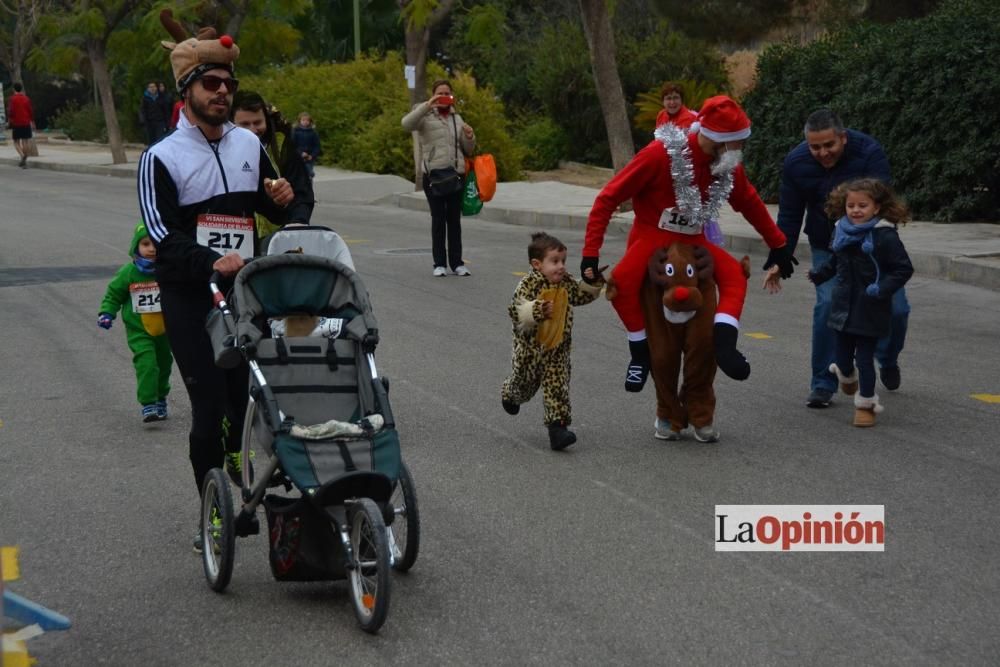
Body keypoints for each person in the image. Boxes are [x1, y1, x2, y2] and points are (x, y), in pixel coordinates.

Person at [140, 12, 294, 552]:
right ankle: (210, 507)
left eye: (228, 84)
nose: (223, 92)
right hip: (188, 294)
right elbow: (161, 232)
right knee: (208, 407)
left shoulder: (248, 146)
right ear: (187, 91)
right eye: (212, 84)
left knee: (246, 394)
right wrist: (210, 261)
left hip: (243, 291)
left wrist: (282, 200)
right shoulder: (161, 156)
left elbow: (268, 206)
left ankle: (236, 457)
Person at [583, 95, 795, 391]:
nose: (741, 149)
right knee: (620, 285)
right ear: (720, 140)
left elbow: (748, 201)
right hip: (652, 238)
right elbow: (608, 198)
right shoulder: (660, 154)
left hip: (694, 240)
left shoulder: (726, 166)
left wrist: (778, 244)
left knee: (735, 275)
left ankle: (725, 344)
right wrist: (590, 255)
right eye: (737, 142)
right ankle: (639, 351)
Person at [766, 109, 910, 408]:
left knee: (896, 309)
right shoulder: (796, 163)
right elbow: (790, 215)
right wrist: (780, 255)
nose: (822, 153)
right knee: (829, 305)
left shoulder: (868, 152)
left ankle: (887, 356)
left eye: (829, 145)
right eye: (815, 147)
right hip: (829, 245)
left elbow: (883, 201)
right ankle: (823, 381)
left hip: (873, 247)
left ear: (843, 138)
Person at [807, 179, 913, 427]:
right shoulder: (841, 230)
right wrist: (820, 274)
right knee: (842, 359)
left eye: (862, 205)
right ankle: (846, 375)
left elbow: (903, 268)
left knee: (864, 359)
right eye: (851, 205)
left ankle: (866, 405)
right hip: (842, 305)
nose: (855, 210)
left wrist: (883, 289)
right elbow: (836, 260)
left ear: (876, 208)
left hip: (871, 307)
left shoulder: (884, 236)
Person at [501, 232, 604, 450]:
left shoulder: (565, 283)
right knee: (524, 384)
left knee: (557, 387)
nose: (561, 267)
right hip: (530, 352)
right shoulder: (528, 284)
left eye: (563, 261)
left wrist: (592, 281)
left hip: (557, 350)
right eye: (555, 262)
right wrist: (536, 310)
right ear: (537, 264)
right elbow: (514, 310)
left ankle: (558, 430)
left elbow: (580, 296)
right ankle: (510, 394)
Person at [97, 222, 174, 423]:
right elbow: (113, 295)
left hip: (165, 329)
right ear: (136, 247)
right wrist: (107, 312)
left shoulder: (168, 269)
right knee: (147, 364)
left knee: (164, 365)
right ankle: (148, 404)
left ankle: (161, 398)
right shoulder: (128, 273)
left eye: (156, 243)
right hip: (139, 330)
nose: (151, 249)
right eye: (145, 244)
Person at [402, 79, 476, 277]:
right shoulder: (425, 115)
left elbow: (468, 150)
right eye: (440, 93)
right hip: (434, 176)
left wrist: (469, 136)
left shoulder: (456, 118)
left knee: (454, 221)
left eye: (447, 93)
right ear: (434, 95)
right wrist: (428, 105)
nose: (444, 96)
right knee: (438, 219)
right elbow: (406, 124)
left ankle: (457, 263)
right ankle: (439, 264)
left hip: (455, 176)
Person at [231, 90, 315, 236]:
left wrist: (298, 222)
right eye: (244, 124)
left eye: (257, 122)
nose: (252, 130)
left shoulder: (282, 146)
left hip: (277, 237)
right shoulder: (220, 149)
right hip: (235, 239)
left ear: (267, 120)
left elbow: (302, 192)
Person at [6, 83, 35, 168]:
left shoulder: (12, 99)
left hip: (16, 123)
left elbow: (10, 111)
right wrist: (32, 121)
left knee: (16, 141)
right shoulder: (26, 98)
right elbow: (30, 111)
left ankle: (22, 156)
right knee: (25, 141)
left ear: (14, 89)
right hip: (26, 122)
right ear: (21, 89)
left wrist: (9, 121)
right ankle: (25, 157)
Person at [291, 112, 321, 179]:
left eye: (307, 120)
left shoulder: (313, 132)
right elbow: (292, 145)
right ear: (300, 121)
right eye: (303, 120)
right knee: (300, 174)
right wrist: (301, 153)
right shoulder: (295, 131)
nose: (305, 122)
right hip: (298, 157)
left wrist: (312, 155)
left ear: (310, 121)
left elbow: (317, 146)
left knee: (308, 175)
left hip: (309, 157)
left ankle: (309, 183)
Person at [139, 81, 167, 145]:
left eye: (154, 86)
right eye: (150, 87)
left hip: (160, 122)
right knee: (151, 141)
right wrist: (143, 121)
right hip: (150, 123)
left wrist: (166, 123)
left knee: (160, 140)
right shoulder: (145, 99)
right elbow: (142, 110)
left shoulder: (161, 97)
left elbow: (165, 111)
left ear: (156, 88)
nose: (152, 88)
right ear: (148, 89)